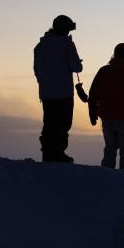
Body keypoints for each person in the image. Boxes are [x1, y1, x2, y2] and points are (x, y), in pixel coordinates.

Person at [88, 43, 124, 171]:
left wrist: (92, 113)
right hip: (123, 119)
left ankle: (107, 177)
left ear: (114, 54)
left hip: (107, 118)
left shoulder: (104, 71)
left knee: (110, 149)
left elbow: (92, 94)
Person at [33, 15, 83, 163]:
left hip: (47, 93)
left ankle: (48, 153)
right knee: (63, 124)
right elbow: (76, 67)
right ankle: (59, 153)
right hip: (64, 92)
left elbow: (37, 70)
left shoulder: (40, 46)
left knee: (49, 124)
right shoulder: (67, 44)